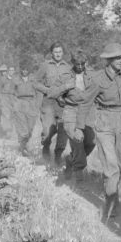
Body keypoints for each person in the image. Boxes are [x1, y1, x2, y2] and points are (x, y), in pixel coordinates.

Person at [81, 43, 121, 219]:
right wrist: (78, 127)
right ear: (109, 59)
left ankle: (112, 190)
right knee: (111, 166)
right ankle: (111, 202)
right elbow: (85, 102)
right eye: (118, 58)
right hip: (105, 121)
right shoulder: (98, 79)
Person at [47, 51, 96, 181]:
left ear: (86, 63)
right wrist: (66, 86)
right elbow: (51, 93)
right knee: (77, 140)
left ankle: (70, 160)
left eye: (82, 64)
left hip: (87, 111)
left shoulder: (92, 74)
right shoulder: (65, 76)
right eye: (77, 64)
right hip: (71, 111)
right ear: (72, 63)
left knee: (91, 142)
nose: (80, 67)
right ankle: (79, 173)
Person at [33, 42, 73, 166]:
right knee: (47, 132)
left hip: (62, 103)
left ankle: (58, 156)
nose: (58, 54)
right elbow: (35, 82)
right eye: (55, 52)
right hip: (48, 102)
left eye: (60, 52)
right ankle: (45, 152)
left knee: (63, 131)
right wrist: (47, 90)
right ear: (51, 53)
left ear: (63, 53)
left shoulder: (68, 67)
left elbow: (72, 84)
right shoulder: (45, 66)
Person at [12, 68, 39, 156]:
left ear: (29, 70)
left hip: (31, 103)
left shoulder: (33, 80)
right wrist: (14, 104)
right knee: (23, 128)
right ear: (21, 70)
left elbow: (39, 91)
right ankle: (22, 147)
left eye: (26, 69)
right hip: (20, 103)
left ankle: (24, 145)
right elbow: (10, 93)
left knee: (30, 128)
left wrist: (37, 104)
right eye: (23, 69)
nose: (24, 71)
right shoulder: (16, 80)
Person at [0, 64, 16, 138]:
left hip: (13, 97)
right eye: (10, 70)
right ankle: (8, 131)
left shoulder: (16, 79)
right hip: (5, 97)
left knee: (13, 114)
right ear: (8, 71)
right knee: (6, 114)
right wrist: (0, 99)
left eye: (13, 70)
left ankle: (13, 131)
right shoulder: (3, 79)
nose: (11, 71)